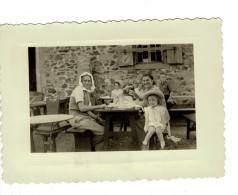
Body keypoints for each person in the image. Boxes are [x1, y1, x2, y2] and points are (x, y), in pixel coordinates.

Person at [68, 72, 107, 151]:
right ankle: (89, 146)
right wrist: (100, 106)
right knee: (104, 131)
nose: (87, 83)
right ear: (81, 82)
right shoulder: (79, 90)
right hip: (76, 119)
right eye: (85, 81)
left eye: (89, 81)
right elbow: (82, 108)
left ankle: (90, 146)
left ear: (91, 82)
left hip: (83, 118)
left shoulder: (86, 92)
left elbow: (87, 110)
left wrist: (97, 118)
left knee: (102, 125)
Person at [135, 73, 169, 149]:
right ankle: (144, 141)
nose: (145, 82)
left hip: (160, 115)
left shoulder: (154, 90)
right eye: (143, 81)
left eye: (147, 80)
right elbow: (144, 101)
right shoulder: (148, 89)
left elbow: (144, 103)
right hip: (153, 112)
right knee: (140, 118)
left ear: (152, 80)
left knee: (140, 121)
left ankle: (145, 144)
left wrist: (135, 103)